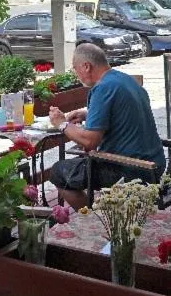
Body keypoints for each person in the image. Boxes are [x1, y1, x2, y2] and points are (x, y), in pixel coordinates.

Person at [48, 43, 164, 209]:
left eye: (75, 69)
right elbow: (125, 114)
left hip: (130, 170)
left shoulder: (102, 88)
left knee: (58, 172)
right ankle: (103, 212)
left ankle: (95, 218)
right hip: (155, 164)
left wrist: (61, 124)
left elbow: (89, 142)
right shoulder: (126, 80)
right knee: (76, 167)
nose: (76, 74)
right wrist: (88, 115)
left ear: (86, 66)